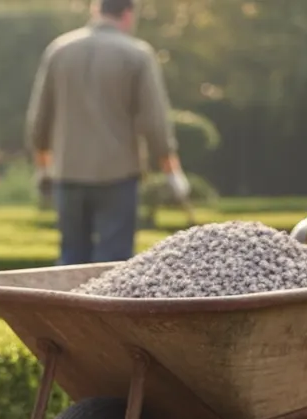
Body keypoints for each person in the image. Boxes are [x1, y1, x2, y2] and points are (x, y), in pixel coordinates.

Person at [25, 0, 189, 265]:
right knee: (113, 262)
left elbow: (39, 119)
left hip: (68, 171)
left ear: (95, 9)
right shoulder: (136, 54)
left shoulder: (59, 50)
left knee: (71, 257)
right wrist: (171, 170)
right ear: (128, 14)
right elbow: (154, 122)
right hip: (118, 175)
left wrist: (43, 166)